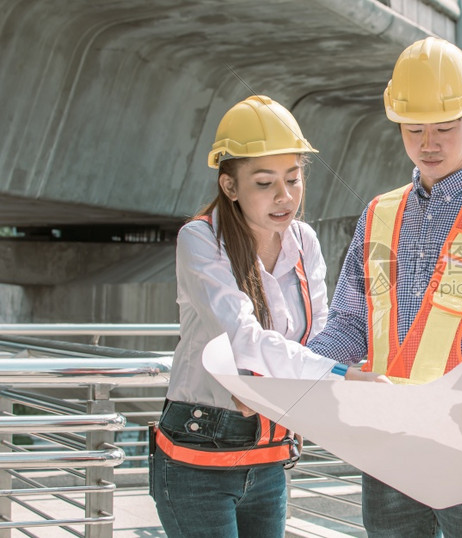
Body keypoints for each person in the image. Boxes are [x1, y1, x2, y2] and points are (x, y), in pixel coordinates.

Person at [307, 36, 462, 537]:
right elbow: (354, 323)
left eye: (443, 128)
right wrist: (297, 367)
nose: (428, 144)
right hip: (389, 451)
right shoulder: (378, 216)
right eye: (413, 129)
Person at [151, 95, 382, 538]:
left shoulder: (304, 241)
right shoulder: (200, 241)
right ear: (229, 186)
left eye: (293, 179)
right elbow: (245, 339)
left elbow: (317, 335)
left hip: (271, 455)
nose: (285, 196)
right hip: (199, 455)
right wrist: (339, 376)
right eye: (264, 183)